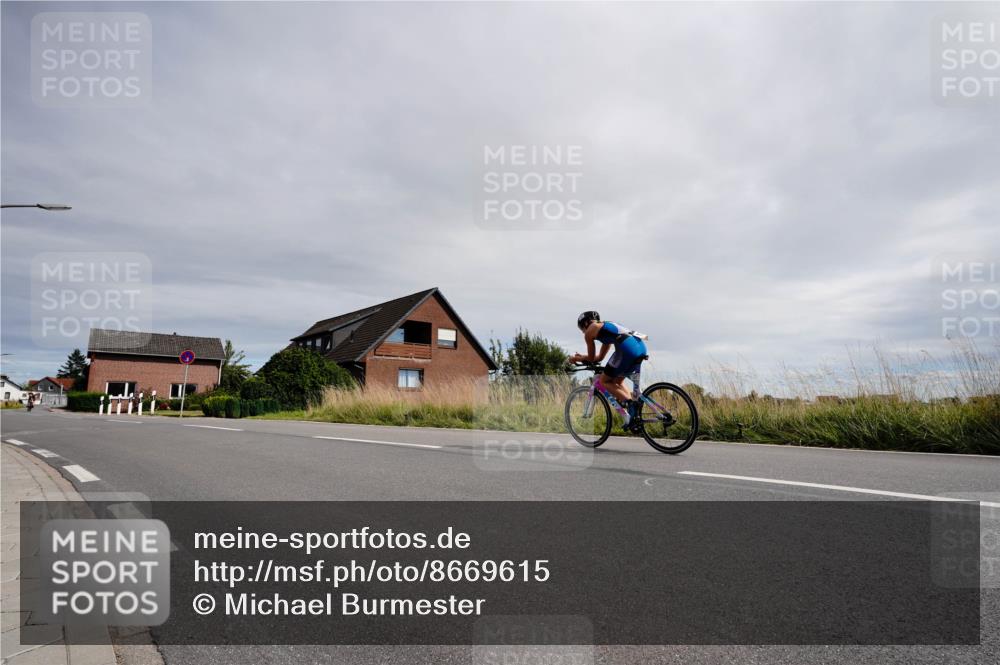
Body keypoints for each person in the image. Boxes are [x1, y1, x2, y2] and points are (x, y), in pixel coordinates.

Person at [569, 310, 647, 422]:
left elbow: (591, 359)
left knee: (603, 381)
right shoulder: (606, 329)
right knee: (616, 382)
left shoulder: (590, 330)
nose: (583, 332)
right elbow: (599, 357)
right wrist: (583, 357)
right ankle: (633, 410)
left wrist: (576, 358)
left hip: (627, 349)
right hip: (640, 347)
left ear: (586, 323)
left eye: (582, 329)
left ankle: (630, 404)